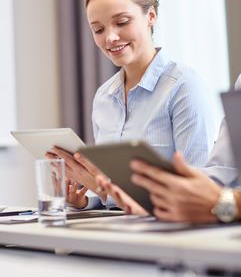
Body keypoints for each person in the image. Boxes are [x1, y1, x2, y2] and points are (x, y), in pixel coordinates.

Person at [47, 0, 215, 209]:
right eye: (98, 29)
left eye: (122, 22)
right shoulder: (104, 97)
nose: (110, 38)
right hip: (119, 231)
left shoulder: (184, 86)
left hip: (168, 233)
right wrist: (87, 199)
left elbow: (196, 193)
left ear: (151, 16)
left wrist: (101, 185)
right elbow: (108, 191)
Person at [96, 75, 241, 223]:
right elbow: (225, 169)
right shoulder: (103, 95)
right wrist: (155, 198)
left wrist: (228, 203)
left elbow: (220, 194)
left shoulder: (184, 84)